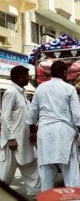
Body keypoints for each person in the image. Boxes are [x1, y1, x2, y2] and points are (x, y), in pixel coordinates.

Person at [25, 60, 80, 191]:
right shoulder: (69, 89)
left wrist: (32, 132)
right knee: (71, 173)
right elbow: (77, 115)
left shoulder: (40, 88)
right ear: (64, 73)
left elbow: (32, 112)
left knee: (46, 171)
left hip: (45, 132)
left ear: (51, 73)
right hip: (64, 132)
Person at [0, 65, 40, 197]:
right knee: (5, 175)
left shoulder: (22, 93)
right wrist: (11, 138)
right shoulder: (11, 92)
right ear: (20, 77)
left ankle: (36, 196)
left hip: (25, 141)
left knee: (32, 169)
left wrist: (33, 132)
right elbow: (4, 117)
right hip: (13, 143)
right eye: (26, 76)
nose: (28, 78)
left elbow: (27, 115)